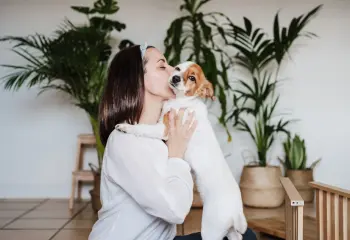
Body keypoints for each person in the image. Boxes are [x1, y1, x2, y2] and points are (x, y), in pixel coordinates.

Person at [88, 43, 257, 240]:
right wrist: (176, 154)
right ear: (137, 79)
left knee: (246, 236)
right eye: (162, 66)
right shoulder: (126, 140)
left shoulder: (163, 131)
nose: (172, 70)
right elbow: (175, 210)